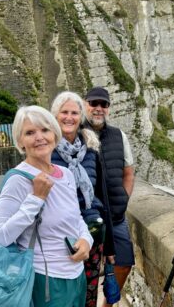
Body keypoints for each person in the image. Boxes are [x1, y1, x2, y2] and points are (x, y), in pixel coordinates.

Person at [0, 105, 93, 307]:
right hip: (44, 280)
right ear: (20, 141)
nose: (39, 137)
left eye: (45, 130)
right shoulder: (18, 180)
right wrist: (35, 199)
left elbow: (76, 218)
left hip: (76, 275)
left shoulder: (66, 174)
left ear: (55, 134)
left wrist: (86, 239)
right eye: (30, 132)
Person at [50, 91, 115, 307]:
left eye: (74, 113)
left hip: (92, 231)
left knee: (89, 292)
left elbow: (101, 196)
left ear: (81, 117)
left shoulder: (90, 150)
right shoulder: (45, 149)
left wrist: (110, 247)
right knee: (62, 294)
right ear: (55, 115)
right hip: (59, 235)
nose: (69, 117)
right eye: (64, 112)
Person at [83, 86, 135, 306]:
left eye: (103, 104)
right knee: (86, 272)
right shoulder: (76, 134)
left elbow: (129, 172)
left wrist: (123, 198)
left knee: (124, 262)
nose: (98, 108)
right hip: (88, 219)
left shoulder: (118, 135)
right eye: (94, 103)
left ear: (108, 108)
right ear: (86, 105)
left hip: (116, 217)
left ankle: (108, 304)